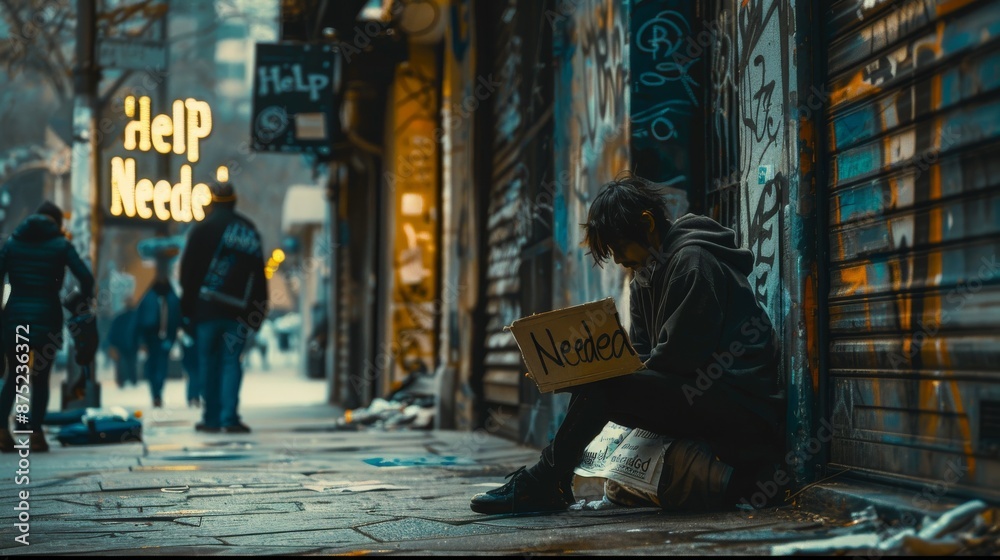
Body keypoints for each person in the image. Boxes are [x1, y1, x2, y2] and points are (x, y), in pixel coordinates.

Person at [470, 172, 785, 514]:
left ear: (648, 223)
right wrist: (574, 374)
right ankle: (551, 479)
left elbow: (679, 360)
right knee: (598, 380)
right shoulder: (644, 277)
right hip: (699, 394)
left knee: (605, 384)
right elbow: (642, 357)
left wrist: (601, 379)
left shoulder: (694, 261)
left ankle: (545, 480)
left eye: (620, 248)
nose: (619, 260)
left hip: (741, 407)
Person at [0, 201, 95, 452]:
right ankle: (36, 435)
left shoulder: (12, 243)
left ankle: (1, 432)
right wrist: (80, 303)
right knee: (40, 378)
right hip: (47, 317)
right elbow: (86, 278)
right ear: (57, 222)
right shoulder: (61, 245)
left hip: (15, 317)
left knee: (15, 377)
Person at [179, 182, 268, 434]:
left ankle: (210, 418)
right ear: (234, 201)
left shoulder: (200, 231)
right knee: (231, 363)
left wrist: (186, 312)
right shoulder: (248, 231)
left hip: (205, 312)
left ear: (212, 202)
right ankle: (229, 418)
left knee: (207, 363)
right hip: (237, 313)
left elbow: (188, 275)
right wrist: (258, 312)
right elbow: (259, 276)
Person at [136, 277, 182, 408]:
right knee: (157, 365)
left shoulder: (151, 298)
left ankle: (157, 392)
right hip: (153, 338)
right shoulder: (169, 299)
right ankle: (156, 392)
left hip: (160, 338)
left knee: (158, 365)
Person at [106, 302, 140, 388]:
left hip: (120, 345)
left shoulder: (119, 317)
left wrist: (112, 343)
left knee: (120, 364)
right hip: (131, 345)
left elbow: (113, 332)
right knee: (132, 363)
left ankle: (122, 381)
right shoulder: (136, 317)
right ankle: (133, 380)